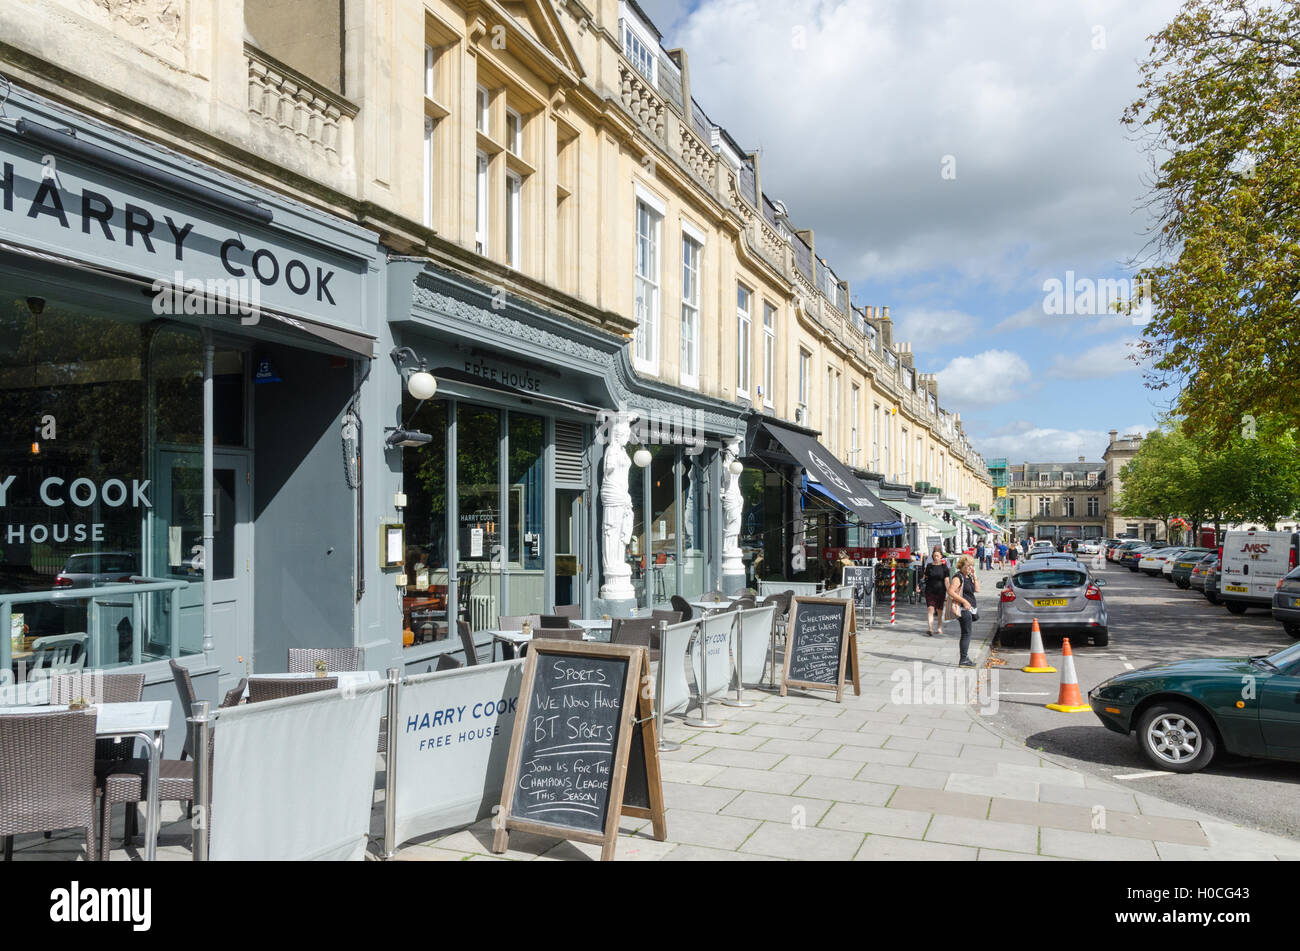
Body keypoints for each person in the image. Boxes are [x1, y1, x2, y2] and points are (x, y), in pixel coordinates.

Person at [947, 554, 980, 667]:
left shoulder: (968, 576)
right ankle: (963, 659)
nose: (971, 568)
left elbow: (977, 589)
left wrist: (974, 576)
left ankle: (964, 657)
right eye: (968, 565)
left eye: (972, 566)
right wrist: (964, 601)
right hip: (962, 609)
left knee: (967, 633)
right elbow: (950, 592)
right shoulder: (958, 577)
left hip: (969, 609)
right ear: (962, 565)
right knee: (966, 633)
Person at [922, 545, 950, 637]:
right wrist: (919, 585)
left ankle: (939, 627)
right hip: (929, 590)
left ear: (941, 556)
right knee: (930, 609)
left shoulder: (944, 567)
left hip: (941, 591)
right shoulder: (929, 566)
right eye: (934, 556)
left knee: (939, 610)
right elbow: (924, 578)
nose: (936, 557)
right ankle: (930, 628)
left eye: (937, 556)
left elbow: (946, 580)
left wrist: (949, 591)